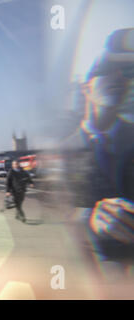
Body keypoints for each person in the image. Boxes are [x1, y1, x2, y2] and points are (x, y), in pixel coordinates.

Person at [61, 28, 134, 278]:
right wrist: (89, 217)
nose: (119, 79)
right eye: (107, 70)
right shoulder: (64, 151)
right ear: (86, 87)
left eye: (126, 72)